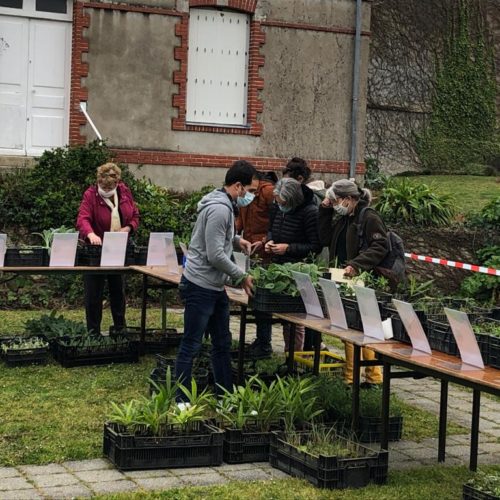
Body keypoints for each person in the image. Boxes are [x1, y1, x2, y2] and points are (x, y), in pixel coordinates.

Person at [175, 160, 257, 397]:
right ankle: (181, 400)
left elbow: (218, 238)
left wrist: (236, 240)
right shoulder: (220, 209)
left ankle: (224, 396)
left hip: (214, 286)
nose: (250, 196)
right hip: (200, 285)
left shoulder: (225, 203)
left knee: (222, 343)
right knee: (191, 344)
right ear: (238, 186)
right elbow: (215, 254)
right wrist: (241, 276)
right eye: (250, 191)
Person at [318, 179, 388, 387]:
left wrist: (357, 265)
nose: (335, 203)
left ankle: (370, 377)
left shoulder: (368, 217)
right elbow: (324, 238)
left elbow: (380, 245)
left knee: (359, 328)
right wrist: (324, 210)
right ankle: (353, 376)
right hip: (341, 277)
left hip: (359, 279)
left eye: (336, 200)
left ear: (349, 199)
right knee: (347, 328)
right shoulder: (344, 218)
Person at [248, 178, 321, 357]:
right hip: (278, 265)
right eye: (278, 203)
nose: (280, 206)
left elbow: (315, 246)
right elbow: (272, 229)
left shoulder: (310, 213)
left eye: (283, 203)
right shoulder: (276, 208)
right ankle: (263, 344)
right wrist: (269, 241)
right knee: (263, 305)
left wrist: (288, 248)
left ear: (293, 200)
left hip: (298, 268)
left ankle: (293, 358)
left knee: (294, 319)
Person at [76, 162, 140, 335]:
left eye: (110, 189)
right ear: (99, 182)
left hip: (118, 248)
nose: (107, 191)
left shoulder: (124, 192)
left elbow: (135, 216)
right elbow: (83, 218)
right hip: (96, 251)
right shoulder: (90, 195)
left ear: (117, 182)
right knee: (93, 294)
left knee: (118, 291)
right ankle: (93, 332)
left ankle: (120, 329)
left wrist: (128, 228)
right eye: (104, 189)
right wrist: (90, 234)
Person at [235, 171, 275, 261]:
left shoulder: (268, 191)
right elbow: (240, 219)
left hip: (265, 246)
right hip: (248, 244)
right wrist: (232, 236)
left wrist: (265, 240)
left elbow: (277, 220)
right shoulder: (242, 193)